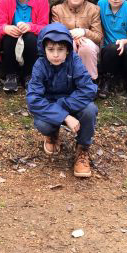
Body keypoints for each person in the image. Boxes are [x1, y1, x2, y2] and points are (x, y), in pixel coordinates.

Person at [26, 23, 98, 178]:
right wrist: (64, 116)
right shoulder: (40, 65)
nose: (56, 55)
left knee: (90, 110)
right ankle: (52, 134)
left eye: (60, 50)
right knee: (43, 124)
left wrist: (63, 107)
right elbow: (33, 99)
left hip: (72, 103)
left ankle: (83, 148)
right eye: (51, 50)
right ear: (44, 49)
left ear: (68, 50)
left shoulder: (75, 61)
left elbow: (88, 89)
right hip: (50, 106)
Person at [0, 0, 50, 93]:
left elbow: (45, 27)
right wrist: (5, 28)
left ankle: (29, 75)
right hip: (11, 42)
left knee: (30, 37)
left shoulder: (42, 0)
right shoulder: (5, 0)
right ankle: (11, 74)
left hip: (32, 40)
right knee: (8, 36)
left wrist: (30, 26)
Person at [51, 0, 103, 82]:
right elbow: (54, 33)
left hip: (88, 44)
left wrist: (84, 32)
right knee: (70, 44)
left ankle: (89, 81)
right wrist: (72, 34)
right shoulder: (57, 9)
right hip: (65, 41)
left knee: (86, 46)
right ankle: (66, 80)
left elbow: (98, 37)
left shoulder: (94, 9)